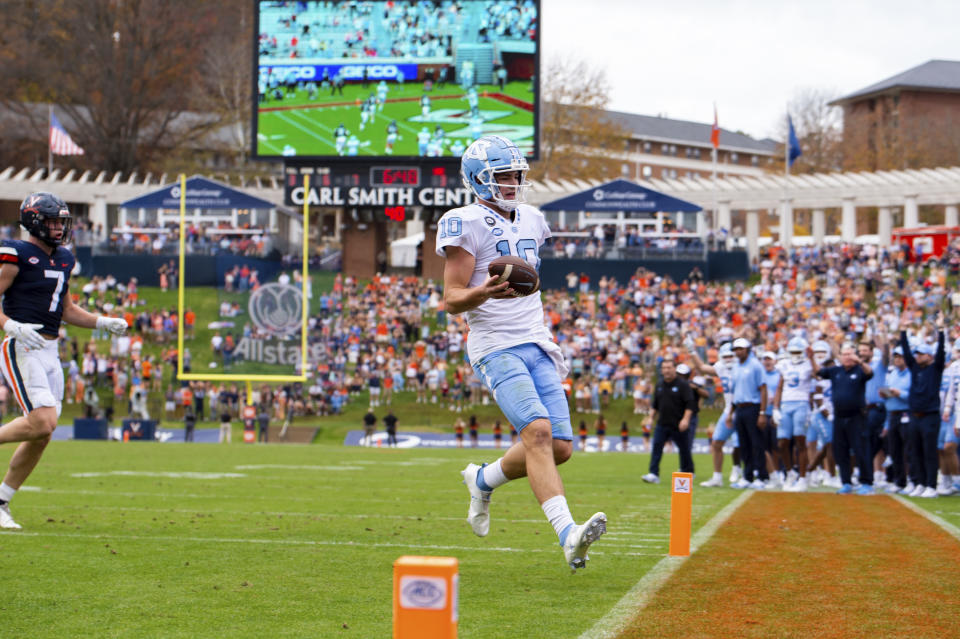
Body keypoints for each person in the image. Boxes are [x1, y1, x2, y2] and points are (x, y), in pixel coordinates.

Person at [438, 135, 606, 572]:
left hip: (537, 340)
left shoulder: (531, 217)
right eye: (503, 176)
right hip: (496, 344)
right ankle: (568, 534)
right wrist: (483, 291)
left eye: (516, 175)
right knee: (536, 432)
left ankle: (483, 478)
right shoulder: (464, 221)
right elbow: (451, 298)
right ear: (478, 179)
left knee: (561, 446)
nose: (512, 183)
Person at [0, 192, 127, 529]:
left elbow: (67, 309)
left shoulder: (64, 258)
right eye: (52, 221)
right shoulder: (16, 253)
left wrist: (101, 321)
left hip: (51, 352)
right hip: (22, 345)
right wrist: (9, 324)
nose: (58, 228)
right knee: (41, 422)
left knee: (43, 434)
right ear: (33, 221)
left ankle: (1, 502)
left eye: (61, 221)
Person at [809, 341, 873, 494]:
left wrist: (859, 360)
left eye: (850, 354)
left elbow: (870, 373)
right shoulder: (835, 370)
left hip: (856, 416)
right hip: (839, 416)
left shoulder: (859, 370)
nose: (847, 357)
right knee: (840, 450)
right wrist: (811, 358)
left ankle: (866, 482)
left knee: (860, 449)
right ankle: (846, 482)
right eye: (844, 355)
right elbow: (818, 372)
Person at [899, 314, 945, 498]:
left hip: (929, 416)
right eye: (916, 354)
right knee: (915, 450)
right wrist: (903, 330)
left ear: (929, 356)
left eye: (921, 354)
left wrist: (941, 330)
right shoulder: (915, 368)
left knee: (929, 452)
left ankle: (931, 485)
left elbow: (941, 352)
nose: (917, 357)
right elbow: (906, 352)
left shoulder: (936, 368)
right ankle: (919, 482)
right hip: (914, 415)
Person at [642, 359, 694, 483]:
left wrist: (686, 419)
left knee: (684, 449)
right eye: (664, 368)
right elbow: (655, 404)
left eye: (669, 368)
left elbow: (690, 404)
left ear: (674, 369)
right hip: (662, 423)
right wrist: (650, 417)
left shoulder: (683, 385)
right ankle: (653, 474)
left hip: (678, 423)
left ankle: (687, 472)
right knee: (657, 448)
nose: (666, 370)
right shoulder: (659, 385)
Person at [774, 338, 814, 492]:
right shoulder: (784, 364)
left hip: (801, 403)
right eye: (793, 352)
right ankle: (790, 472)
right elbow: (779, 387)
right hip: (785, 404)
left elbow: (817, 373)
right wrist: (776, 408)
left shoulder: (808, 365)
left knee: (800, 442)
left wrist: (811, 357)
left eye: (798, 352)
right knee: (782, 443)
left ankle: (803, 478)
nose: (796, 355)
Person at [729, 338, 768, 489]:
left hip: (753, 407)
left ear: (747, 349)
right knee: (744, 444)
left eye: (740, 348)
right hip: (740, 407)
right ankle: (747, 476)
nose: (738, 351)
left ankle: (761, 476)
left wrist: (762, 412)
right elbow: (735, 391)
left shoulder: (755, 366)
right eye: (736, 349)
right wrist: (731, 413)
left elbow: (763, 389)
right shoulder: (735, 366)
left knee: (756, 443)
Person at [880, 345, 912, 493]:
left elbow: (915, 396)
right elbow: (888, 393)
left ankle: (913, 480)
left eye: (901, 357)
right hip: (892, 414)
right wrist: (885, 393)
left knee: (909, 449)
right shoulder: (892, 374)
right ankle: (899, 481)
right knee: (895, 450)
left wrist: (900, 393)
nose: (897, 359)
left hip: (907, 413)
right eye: (896, 357)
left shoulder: (911, 373)